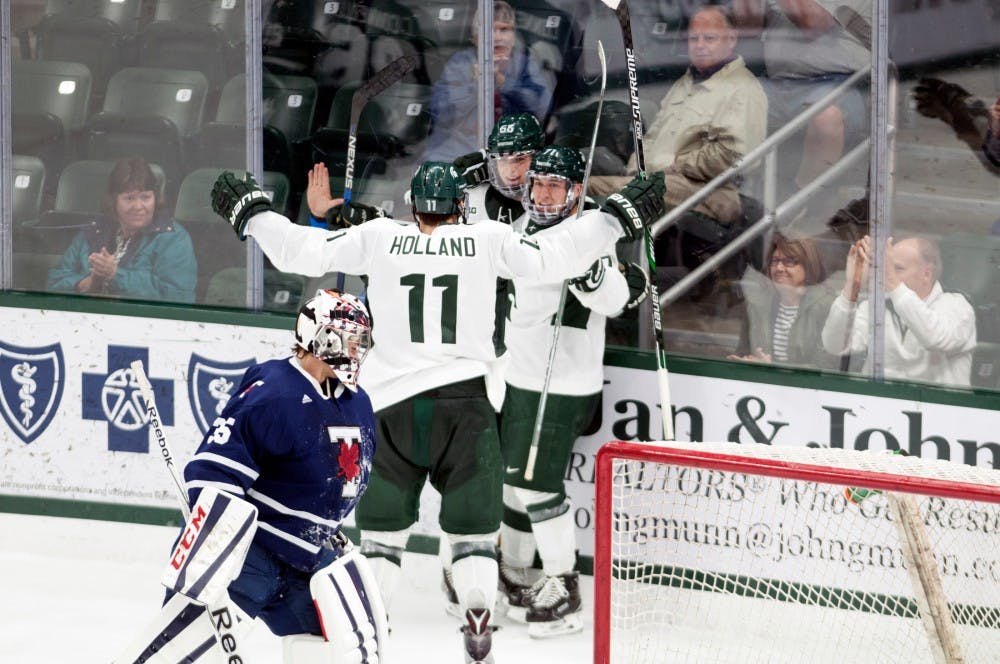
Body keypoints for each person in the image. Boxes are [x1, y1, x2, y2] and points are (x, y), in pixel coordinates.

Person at [209, 162, 665, 663]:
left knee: (382, 539)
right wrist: (617, 218)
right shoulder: (488, 238)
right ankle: (477, 606)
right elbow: (555, 256)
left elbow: (301, 249)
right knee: (471, 537)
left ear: (412, 207)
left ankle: (371, 628)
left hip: (389, 410)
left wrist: (251, 213)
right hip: (465, 408)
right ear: (460, 208)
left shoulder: (381, 237)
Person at [115, 289, 388, 663]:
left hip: (305, 561)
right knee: (181, 653)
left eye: (362, 339)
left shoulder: (358, 402)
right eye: (349, 337)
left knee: (338, 649)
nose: (358, 348)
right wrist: (208, 549)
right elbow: (213, 473)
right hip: (249, 555)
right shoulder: (274, 392)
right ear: (320, 337)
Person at [496, 146, 648, 638]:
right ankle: (516, 573)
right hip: (519, 376)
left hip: (558, 382)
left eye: (554, 186)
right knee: (515, 479)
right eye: (538, 183)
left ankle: (563, 585)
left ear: (576, 191)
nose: (542, 193)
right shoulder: (520, 230)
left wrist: (592, 273)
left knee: (537, 483)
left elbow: (614, 299)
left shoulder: (587, 237)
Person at [588, 5, 768, 226]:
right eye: (694, 39)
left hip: (708, 191)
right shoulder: (686, 81)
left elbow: (735, 156)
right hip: (659, 180)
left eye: (709, 38)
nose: (700, 46)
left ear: (731, 39)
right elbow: (652, 135)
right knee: (581, 169)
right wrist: (636, 167)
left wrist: (677, 165)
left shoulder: (743, 88)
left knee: (591, 188)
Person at [732, 0, 870, 189]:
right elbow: (749, 28)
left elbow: (813, 23)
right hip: (779, 82)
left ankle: (803, 202)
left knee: (826, 117)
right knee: (724, 99)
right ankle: (727, 194)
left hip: (839, 82)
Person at [821, 235, 976, 386]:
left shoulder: (957, 306)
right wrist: (852, 286)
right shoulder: (875, 306)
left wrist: (892, 282)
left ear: (926, 275)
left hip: (938, 408)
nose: (885, 273)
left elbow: (936, 339)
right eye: (885, 267)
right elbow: (834, 345)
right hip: (875, 405)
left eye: (897, 268)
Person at [46, 157, 197, 302]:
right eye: (129, 198)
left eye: (145, 197)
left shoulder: (173, 238)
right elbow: (54, 281)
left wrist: (115, 274)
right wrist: (87, 284)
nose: (138, 207)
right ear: (113, 200)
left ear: (155, 199)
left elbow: (178, 298)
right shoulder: (94, 231)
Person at [422, 1, 554, 163]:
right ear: (476, 39)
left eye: (504, 29)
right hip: (457, 153)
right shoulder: (460, 63)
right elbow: (441, 112)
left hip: (511, 155)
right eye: (490, 30)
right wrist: (475, 85)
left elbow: (542, 107)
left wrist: (503, 83)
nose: (497, 37)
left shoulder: (524, 64)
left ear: (513, 37)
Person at [729, 232, 839, 369]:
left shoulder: (828, 306)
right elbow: (743, 351)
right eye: (775, 261)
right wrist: (739, 360)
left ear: (808, 265)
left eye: (790, 261)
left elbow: (827, 367)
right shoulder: (755, 303)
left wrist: (773, 368)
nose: (779, 268)